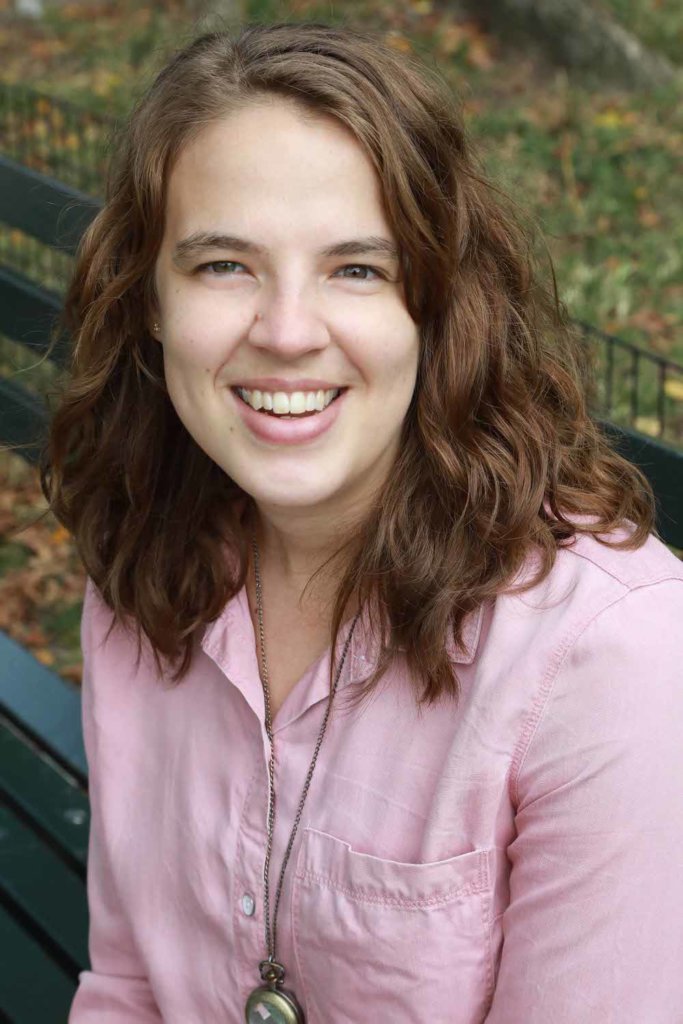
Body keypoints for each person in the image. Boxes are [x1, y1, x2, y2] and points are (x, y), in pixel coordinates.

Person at [40, 21, 683, 1024]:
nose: (288, 332)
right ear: (151, 298)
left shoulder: (608, 657)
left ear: (436, 305)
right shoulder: (142, 555)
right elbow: (128, 985)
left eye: (356, 270)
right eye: (223, 264)